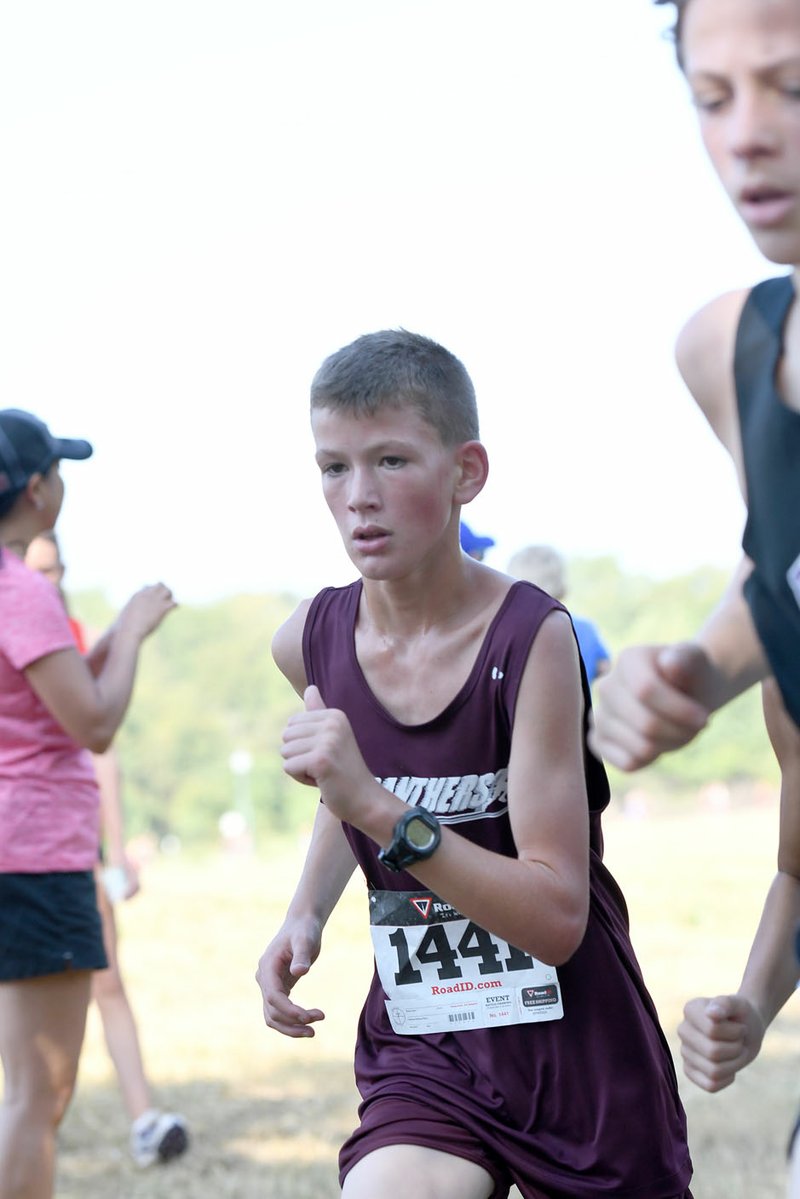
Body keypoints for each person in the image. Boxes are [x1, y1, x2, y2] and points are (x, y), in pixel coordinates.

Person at [256, 330, 692, 1198]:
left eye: (390, 460)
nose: (359, 498)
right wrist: (305, 910)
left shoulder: (534, 640)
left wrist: (375, 808)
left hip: (573, 1038)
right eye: (332, 468)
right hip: (431, 1045)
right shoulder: (308, 640)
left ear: (467, 472)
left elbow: (555, 915)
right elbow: (353, 785)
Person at [587, 0, 800, 1184]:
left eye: (791, 89)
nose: (746, 139)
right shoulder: (726, 351)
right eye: (711, 99)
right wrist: (694, 673)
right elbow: (778, 567)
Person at [0, 408, 175, 1199]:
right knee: (42, 1095)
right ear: (36, 489)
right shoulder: (21, 591)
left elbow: (46, 697)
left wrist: (102, 648)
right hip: (33, 860)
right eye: (60, 472)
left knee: (24, 1092)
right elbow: (95, 722)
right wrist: (134, 629)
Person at [25, 531, 189, 1169]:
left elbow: (102, 745)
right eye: (33, 567)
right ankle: (30, 1124)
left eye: (56, 567)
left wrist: (117, 849)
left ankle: (142, 1118)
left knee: (108, 982)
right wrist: (129, 635)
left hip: (70, 847)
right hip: (27, 850)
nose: (48, 579)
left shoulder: (68, 630)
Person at [506, 544, 611, 684]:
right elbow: (605, 670)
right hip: (577, 705)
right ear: (560, 581)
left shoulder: (508, 630)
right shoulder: (585, 629)